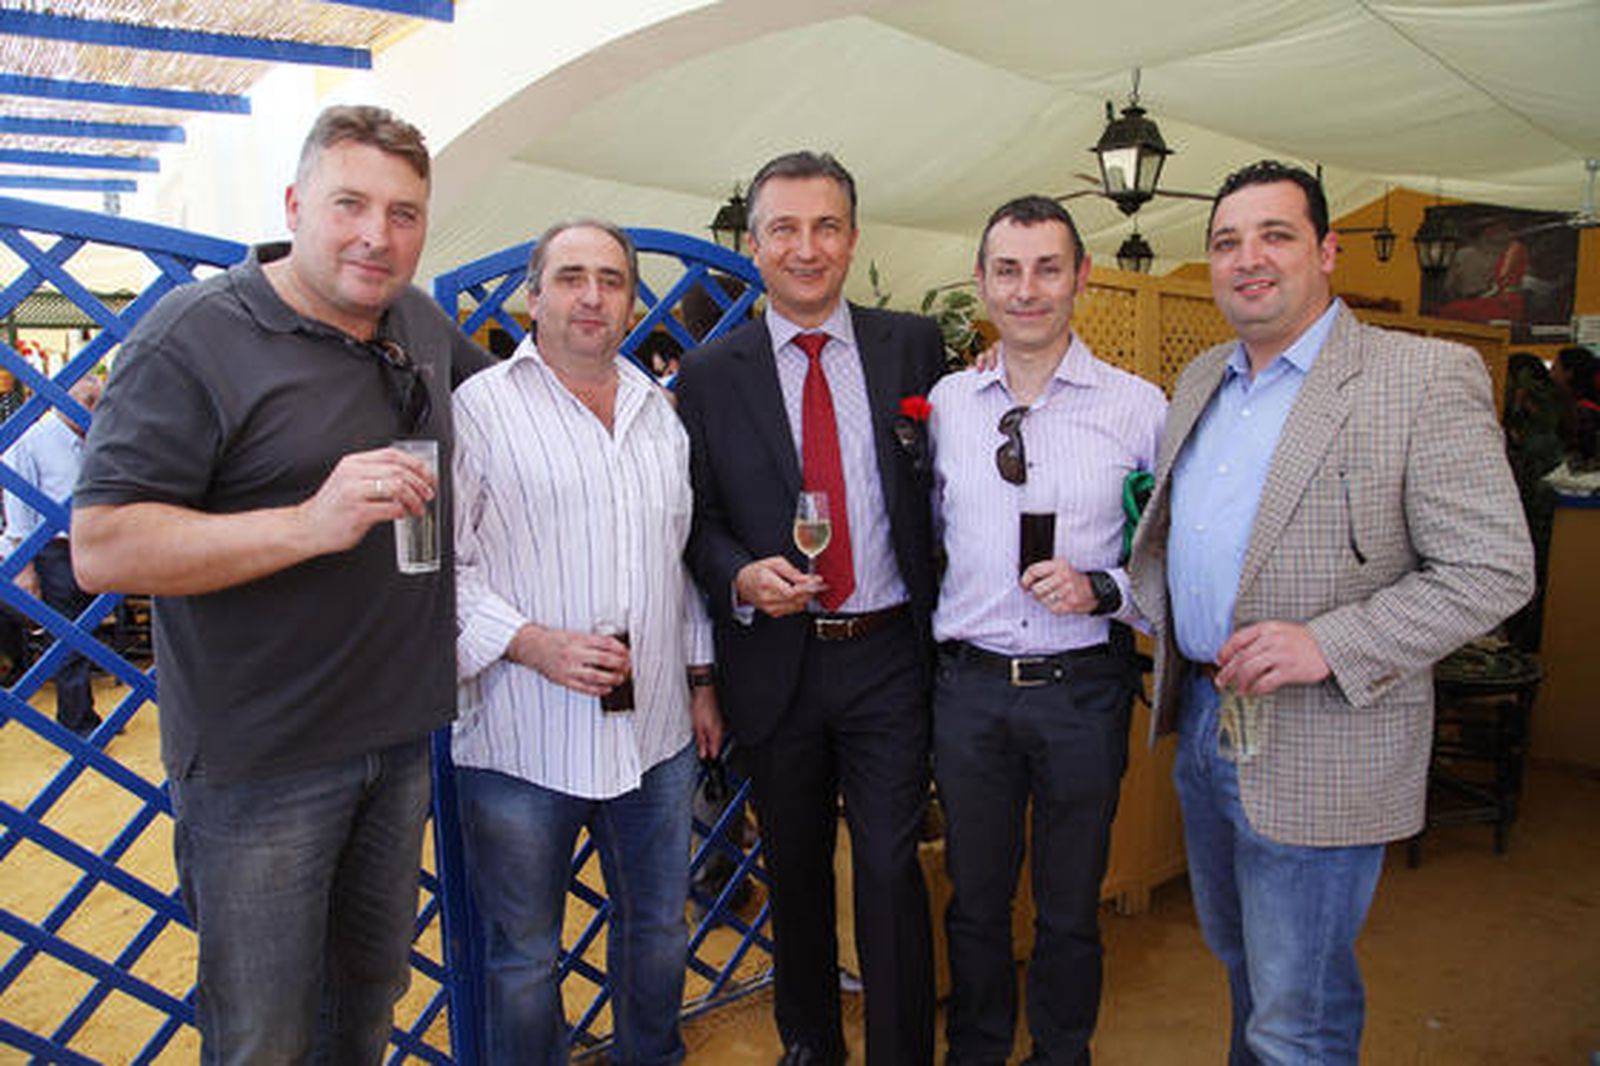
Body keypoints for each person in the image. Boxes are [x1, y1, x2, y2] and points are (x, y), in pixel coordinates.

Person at [71, 104, 491, 1063]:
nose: (377, 236)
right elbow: (103, 545)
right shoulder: (195, 335)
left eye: (404, 213)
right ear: (297, 203)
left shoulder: (419, 322)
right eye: (350, 204)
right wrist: (310, 524)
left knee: (367, 1008)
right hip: (263, 763)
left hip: (396, 741)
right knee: (264, 1034)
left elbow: (512, 413)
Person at [1128, 160, 1534, 1065]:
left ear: (1327, 251)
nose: (1249, 260)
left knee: (1297, 1015)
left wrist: (1327, 641)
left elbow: (1494, 567)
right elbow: (1179, 537)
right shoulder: (1200, 378)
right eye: (1227, 242)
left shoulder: (1421, 377)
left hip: (1324, 740)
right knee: (1243, 971)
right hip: (1204, 716)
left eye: (1276, 235)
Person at [676, 151, 945, 1066]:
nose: (806, 246)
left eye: (826, 226)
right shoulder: (711, 375)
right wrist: (741, 576)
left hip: (887, 656)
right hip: (776, 660)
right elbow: (697, 521)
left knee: (885, 868)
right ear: (753, 245)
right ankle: (810, 1046)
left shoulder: (912, 345)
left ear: (853, 237)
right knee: (793, 873)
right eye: (784, 228)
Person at [451, 219, 723, 1064]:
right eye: (571, 277)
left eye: (611, 279)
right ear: (535, 295)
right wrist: (530, 642)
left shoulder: (658, 416)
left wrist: (702, 676)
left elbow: (675, 563)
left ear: (633, 298)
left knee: (658, 934)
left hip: (656, 738)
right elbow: (432, 572)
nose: (592, 296)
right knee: (524, 959)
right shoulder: (478, 411)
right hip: (521, 737)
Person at [928, 195, 1165, 1064]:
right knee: (975, 900)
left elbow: (1173, 556)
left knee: (1070, 907)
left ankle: (1062, 1053)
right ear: (983, 282)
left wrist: (1102, 588)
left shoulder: (1141, 410)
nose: (1027, 290)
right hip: (971, 692)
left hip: (1082, 693)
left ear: (1082, 278)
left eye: (1047, 268)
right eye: (1007, 270)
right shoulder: (949, 405)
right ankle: (979, 1050)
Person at [5, 374, 103, 734]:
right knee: (68, 636)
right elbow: (18, 507)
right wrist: (24, 567)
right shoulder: (33, 440)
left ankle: (85, 715)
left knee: (87, 632)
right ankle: (78, 722)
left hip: (93, 548)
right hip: (54, 551)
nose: (96, 410)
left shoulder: (96, 440)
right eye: (90, 401)